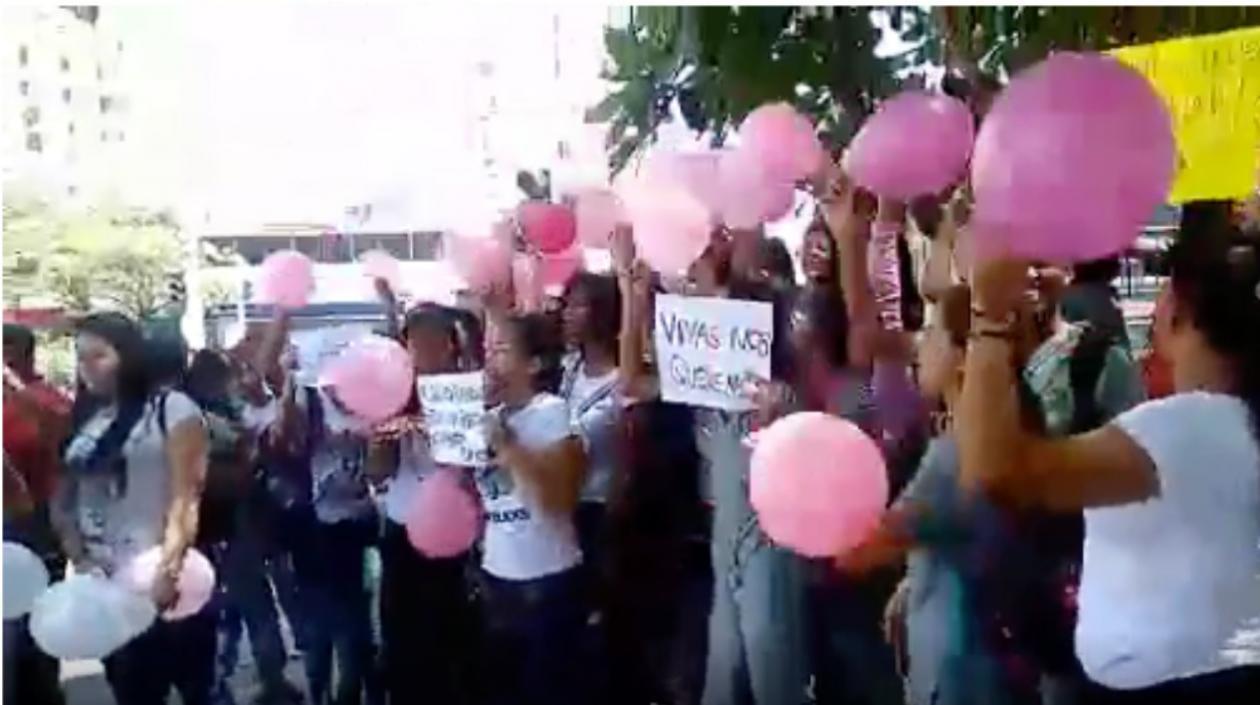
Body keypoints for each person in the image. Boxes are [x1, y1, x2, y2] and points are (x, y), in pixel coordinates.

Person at [958, 214, 1260, 701]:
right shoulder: (1233, 421)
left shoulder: (1183, 429)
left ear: (1178, 311)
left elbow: (994, 472)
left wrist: (988, 319)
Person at [841, 285, 1021, 705]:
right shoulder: (995, 437)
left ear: (962, 360)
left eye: (933, 334)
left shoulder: (949, 458)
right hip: (984, 659)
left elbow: (866, 549)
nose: (921, 346)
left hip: (952, 665)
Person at [54, 312, 213, 705]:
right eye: (81, 357)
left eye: (99, 355)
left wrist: (169, 571)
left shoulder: (173, 409)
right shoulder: (89, 420)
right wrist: (78, 555)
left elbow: (185, 496)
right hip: (104, 582)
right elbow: (63, 498)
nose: (87, 367)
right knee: (129, 690)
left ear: (129, 356)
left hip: (160, 578)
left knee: (180, 686)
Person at [476, 312, 589, 705]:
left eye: (502, 351)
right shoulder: (485, 416)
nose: (490, 360)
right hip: (496, 578)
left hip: (547, 582)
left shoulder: (552, 412)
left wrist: (507, 447)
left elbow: (556, 500)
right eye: (488, 350)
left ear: (534, 364)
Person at [368, 304, 475, 705]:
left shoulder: (468, 394)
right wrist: (381, 444)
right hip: (401, 533)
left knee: (448, 641)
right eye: (413, 344)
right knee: (402, 642)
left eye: (429, 343)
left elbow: (468, 465)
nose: (420, 353)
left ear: (450, 346)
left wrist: (437, 432)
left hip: (453, 537)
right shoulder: (392, 397)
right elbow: (377, 474)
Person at [185, 350, 301, 705]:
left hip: (219, 529)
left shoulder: (189, 417)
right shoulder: (216, 419)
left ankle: (230, 682)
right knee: (251, 608)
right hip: (234, 526)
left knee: (232, 611)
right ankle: (265, 679)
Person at [271, 331, 378, 705]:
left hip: (362, 526)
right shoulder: (309, 404)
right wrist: (289, 382)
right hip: (317, 531)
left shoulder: (372, 401)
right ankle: (323, 690)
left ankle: (355, 689)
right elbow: (286, 440)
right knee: (323, 623)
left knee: (356, 620)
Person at [3, 324, 71, 705]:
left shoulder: (48, 399)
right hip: (9, 521)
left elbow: (58, 437)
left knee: (36, 621)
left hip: (39, 521)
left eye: (7, 347)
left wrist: (14, 388)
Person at [559, 273, 622, 609]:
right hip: (562, 505)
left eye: (578, 305)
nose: (567, 313)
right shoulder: (569, 368)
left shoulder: (621, 385)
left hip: (597, 512)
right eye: (566, 304)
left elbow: (573, 438)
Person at [1059, 258, 1129, 350]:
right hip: (1103, 355)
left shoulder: (1067, 292)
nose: (1120, 266)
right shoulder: (1102, 294)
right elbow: (1116, 334)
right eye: (1116, 261)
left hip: (1073, 352)